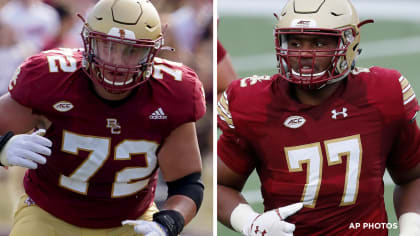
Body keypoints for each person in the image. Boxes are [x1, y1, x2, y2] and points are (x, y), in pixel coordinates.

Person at [0, 0, 206, 235]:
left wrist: (169, 221)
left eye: (132, 50)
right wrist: (3, 148)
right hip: (48, 215)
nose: (116, 61)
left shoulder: (173, 92)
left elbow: (187, 182)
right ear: (87, 42)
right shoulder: (50, 79)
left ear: (152, 52)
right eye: (107, 46)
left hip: (131, 221)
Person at [217, 0, 420, 235]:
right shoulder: (254, 103)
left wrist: (411, 229)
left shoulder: (383, 94)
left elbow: (413, 176)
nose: (304, 53)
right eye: (295, 42)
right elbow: (221, 184)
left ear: (348, 43)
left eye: (319, 42)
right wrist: (249, 222)